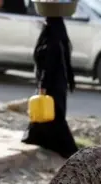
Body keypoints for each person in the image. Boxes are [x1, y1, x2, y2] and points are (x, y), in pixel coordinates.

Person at [21, 17, 78, 159]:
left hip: (51, 86)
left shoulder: (51, 42)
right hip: (59, 85)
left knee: (51, 116)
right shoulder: (60, 40)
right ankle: (36, 138)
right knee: (47, 115)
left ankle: (68, 150)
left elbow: (48, 67)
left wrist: (43, 86)